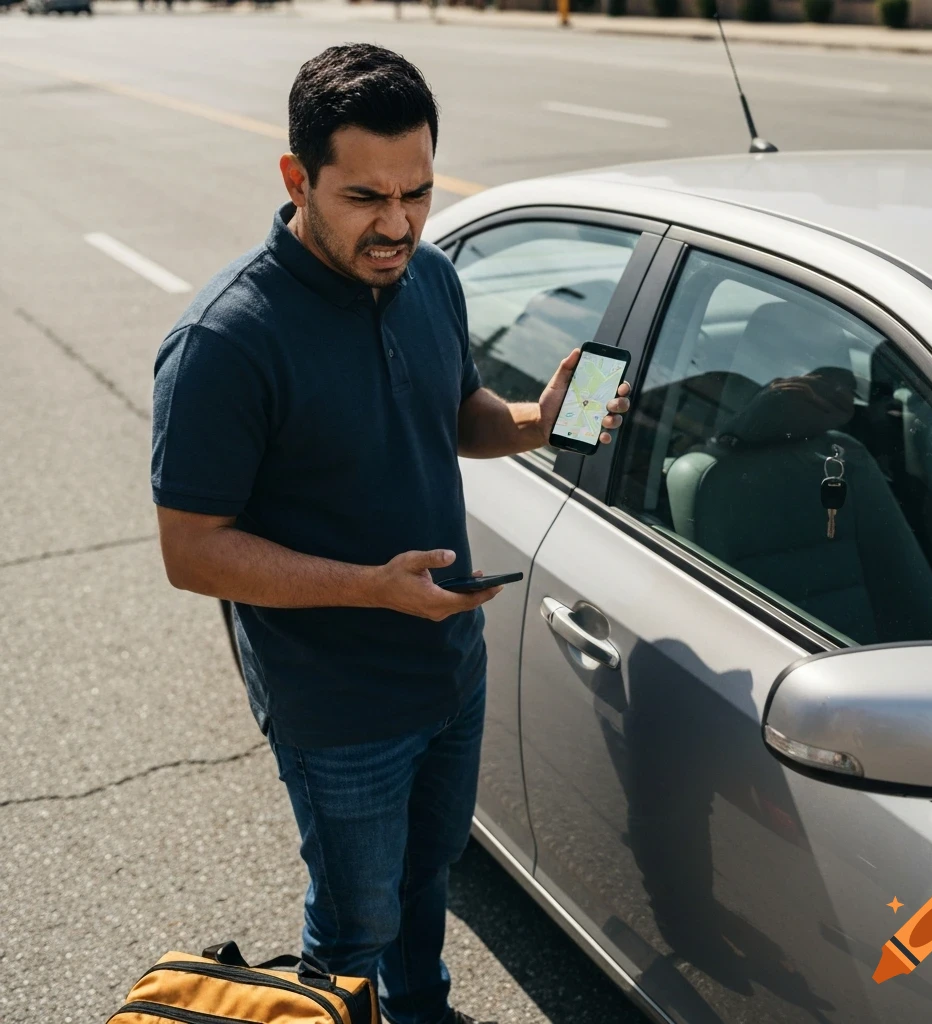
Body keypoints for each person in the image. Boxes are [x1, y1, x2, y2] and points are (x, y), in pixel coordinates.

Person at [151, 43, 630, 1024]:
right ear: (297, 178)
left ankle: (421, 1008)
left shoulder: (433, 279)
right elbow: (191, 549)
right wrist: (371, 588)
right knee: (354, 922)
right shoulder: (224, 343)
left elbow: (458, 416)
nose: (399, 223)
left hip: (449, 665)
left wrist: (538, 418)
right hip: (337, 701)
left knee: (429, 876)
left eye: (416, 191)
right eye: (366, 197)